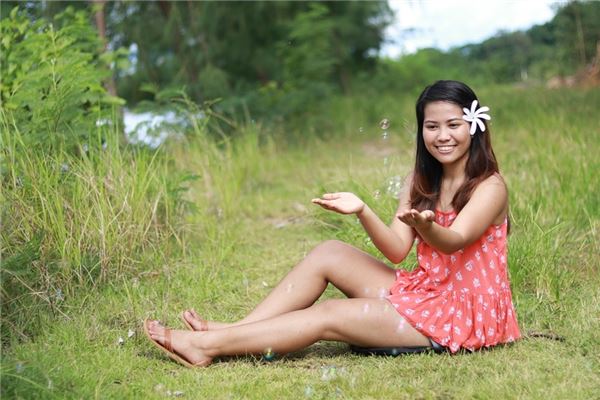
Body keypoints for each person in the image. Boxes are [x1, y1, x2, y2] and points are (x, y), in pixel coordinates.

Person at [144, 80, 521, 367]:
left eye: (453, 124)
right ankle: (238, 329)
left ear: (474, 126)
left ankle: (206, 347)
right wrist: (363, 210)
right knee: (330, 252)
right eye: (432, 126)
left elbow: (455, 240)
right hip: (427, 292)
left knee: (328, 315)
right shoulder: (420, 181)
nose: (442, 136)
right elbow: (396, 250)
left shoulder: (489, 186)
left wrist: (427, 228)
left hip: (461, 313)